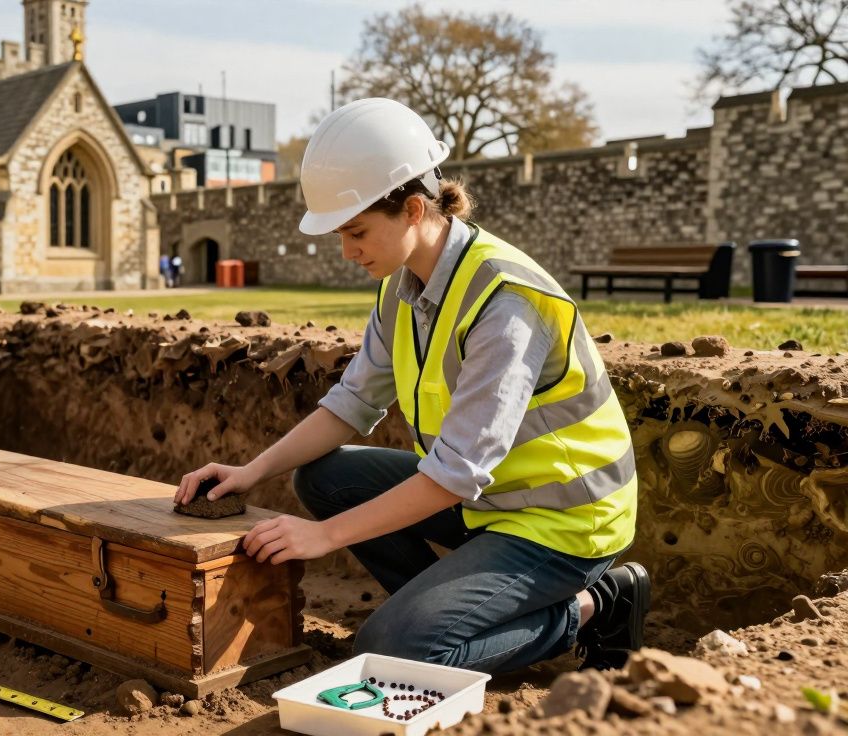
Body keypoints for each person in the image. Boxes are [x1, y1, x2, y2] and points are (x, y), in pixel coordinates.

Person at [173, 98, 648, 674]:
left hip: (566, 518)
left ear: (415, 209)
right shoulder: (401, 288)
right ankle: (446, 610)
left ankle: (594, 604)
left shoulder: (506, 302)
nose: (347, 252)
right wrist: (250, 472)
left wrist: (324, 537)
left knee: (390, 651)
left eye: (356, 232)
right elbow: (350, 405)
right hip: (492, 500)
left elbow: (453, 474)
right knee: (323, 476)